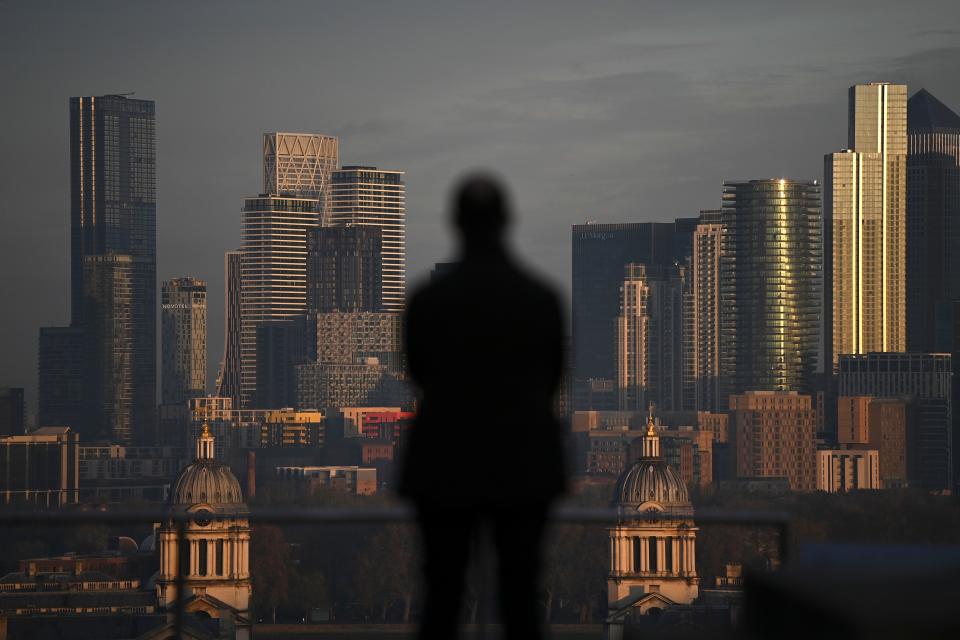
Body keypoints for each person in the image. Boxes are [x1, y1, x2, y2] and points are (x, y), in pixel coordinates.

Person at [400, 174, 567, 639]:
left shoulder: (427, 302)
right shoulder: (542, 300)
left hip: (445, 468)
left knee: (442, 597)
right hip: (523, 468)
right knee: (521, 599)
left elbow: (418, 374)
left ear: (455, 223)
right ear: (507, 222)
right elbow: (552, 380)